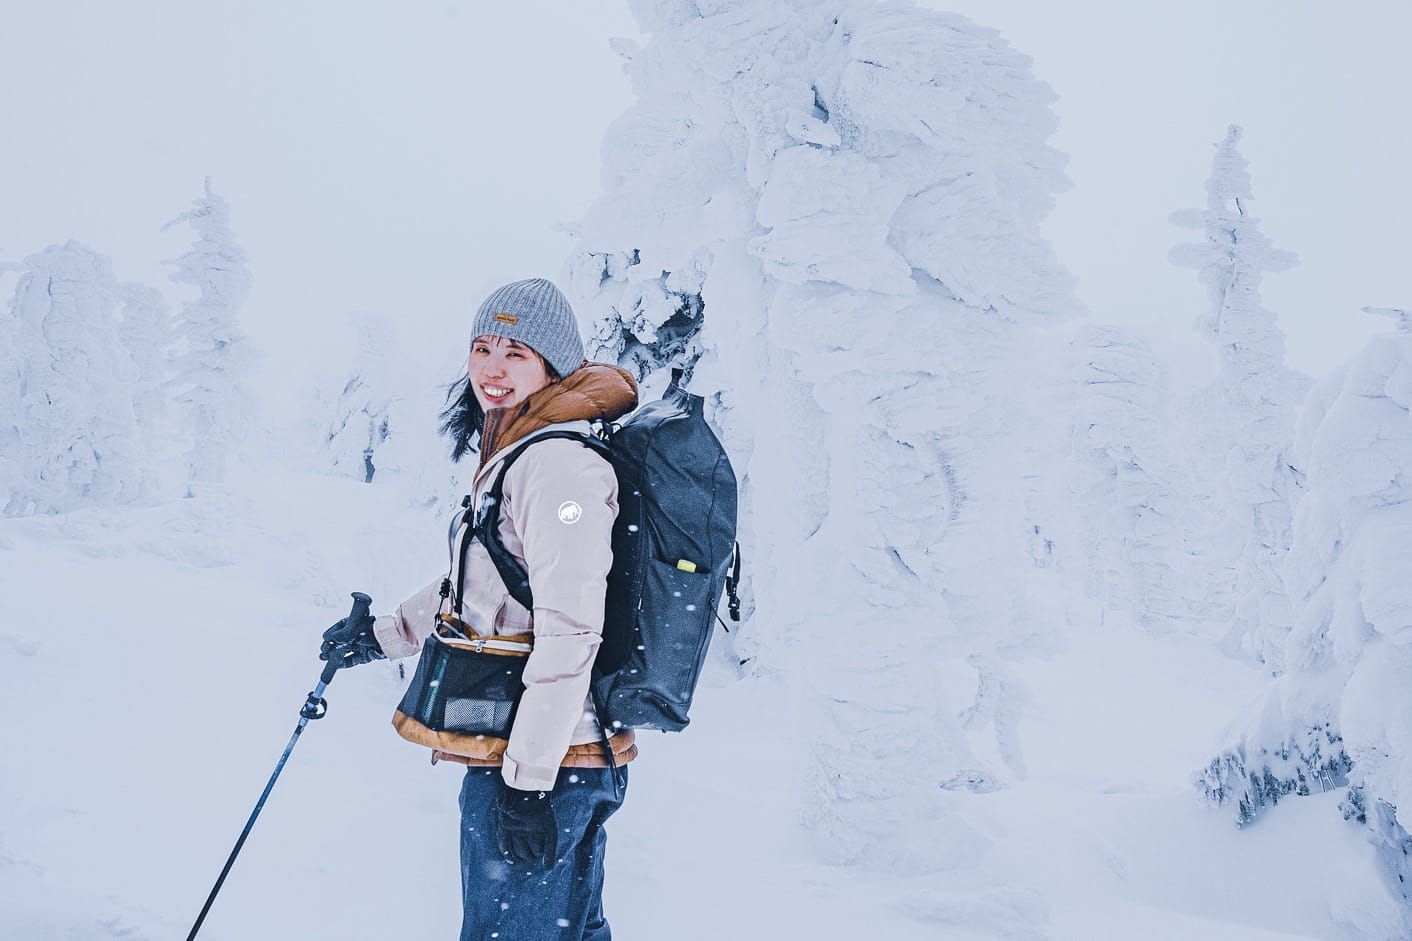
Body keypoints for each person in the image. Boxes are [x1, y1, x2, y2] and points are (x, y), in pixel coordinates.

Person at [320, 277, 640, 940]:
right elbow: (486, 581)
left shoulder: (558, 467)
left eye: (516, 352)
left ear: (552, 365)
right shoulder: (524, 452)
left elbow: (571, 627)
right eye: (482, 346)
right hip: (560, 757)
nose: (491, 369)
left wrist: (527, 782)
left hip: (545, 761)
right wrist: (383, 635)